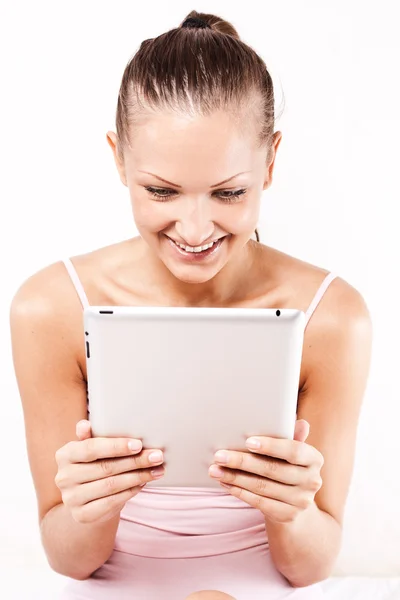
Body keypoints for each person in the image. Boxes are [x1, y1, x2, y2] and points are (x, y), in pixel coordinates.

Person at [9, 9, 373, 600]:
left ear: (271, 163)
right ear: (119, 159)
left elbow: (310, 567)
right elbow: (68, 559)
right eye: (161, 191)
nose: (196, 228)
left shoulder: (332, 315)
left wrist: (291, 509)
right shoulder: (50, 308)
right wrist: (90, 506)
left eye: (229, 192)